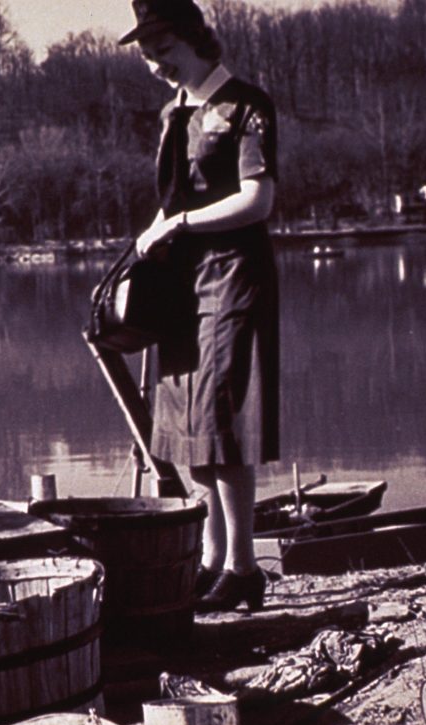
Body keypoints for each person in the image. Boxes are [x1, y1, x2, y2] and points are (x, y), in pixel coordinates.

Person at [119, 0, 280, 611]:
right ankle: (211, 559)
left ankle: (243, 566)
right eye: (147, 55)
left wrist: (180, 223)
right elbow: (174, 198)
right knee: (187, 422)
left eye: (163, 49)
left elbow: (257, 201)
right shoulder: (172, 113)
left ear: (193, 38)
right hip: (180, 286)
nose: (156, 64)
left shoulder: (246, 105)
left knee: (223, 421)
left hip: (234, 278)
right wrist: (152, 233)